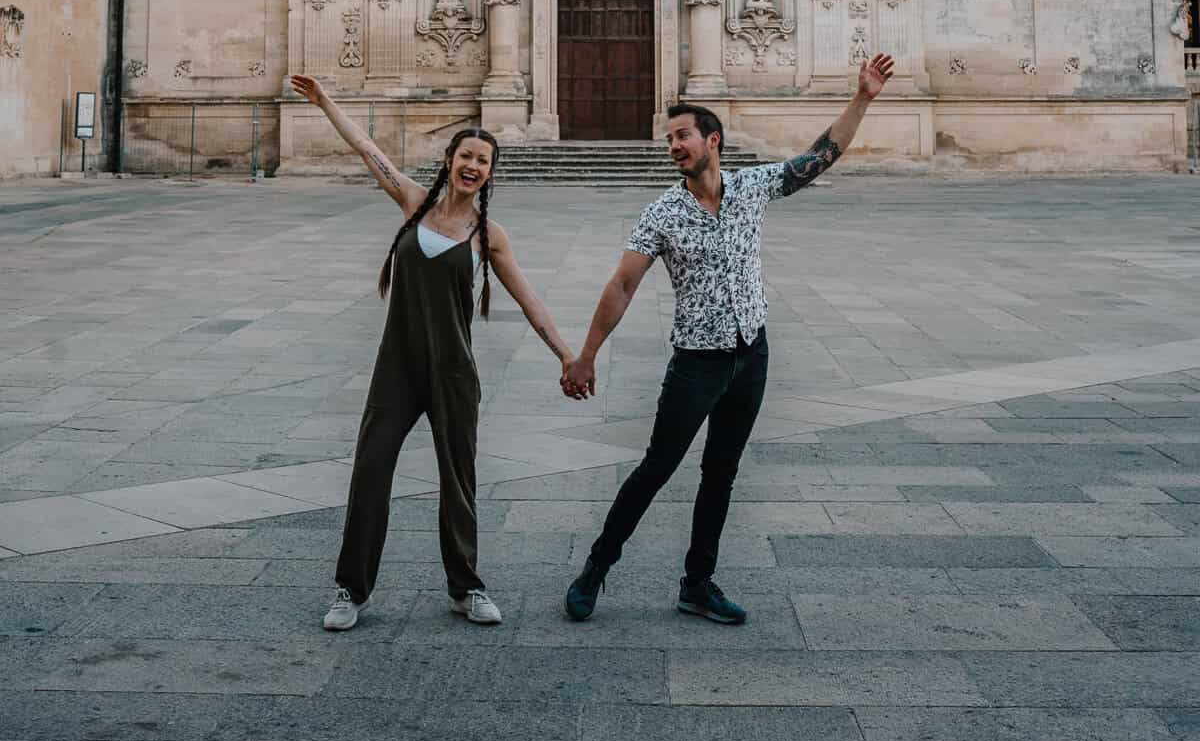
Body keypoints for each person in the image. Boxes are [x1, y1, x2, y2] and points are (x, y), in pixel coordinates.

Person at [560, 54, 894, 625]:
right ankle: (594, 570)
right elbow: (621, 284)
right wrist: (586, 355)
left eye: (683, 135)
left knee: (722, 472)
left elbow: (820, 157)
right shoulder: (662, 213)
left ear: (712, 140)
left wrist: (862, 97)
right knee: (656, 469)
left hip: (751, 354)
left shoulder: (751, 187)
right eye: (669, 139)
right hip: (696, 363)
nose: (674, 146)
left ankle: (698, 583)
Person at [290, 74, 579, 631]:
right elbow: (367, 148)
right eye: (467, 156)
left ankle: (466, 586)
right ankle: (352, 589)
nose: (474, 166)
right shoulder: (414, 203)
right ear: (450, 160)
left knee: (459, 480)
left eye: (484, 162)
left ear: (490, 174)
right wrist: (327, 102)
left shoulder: (488, 235)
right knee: (370, 473)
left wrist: (568, 355)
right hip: (396, 369)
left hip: (452, 373)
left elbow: (531, 300)